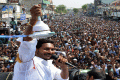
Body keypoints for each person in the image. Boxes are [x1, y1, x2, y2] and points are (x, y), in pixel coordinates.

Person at [12, 4, 69, 80]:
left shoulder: (50, 65)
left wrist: (64, 67)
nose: (50, 52)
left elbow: (63, 78)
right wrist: (33, 20)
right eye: (46, 49)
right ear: (36, 50)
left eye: (52, 49)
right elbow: (27, 42)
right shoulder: (27, 61)